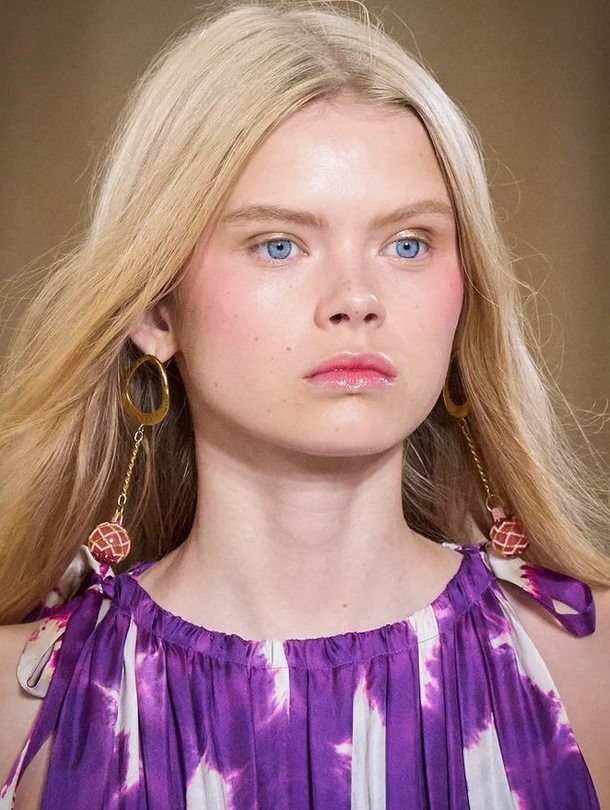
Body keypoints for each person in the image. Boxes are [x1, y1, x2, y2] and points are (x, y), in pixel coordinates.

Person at [0, 1, 609, 807]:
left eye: (408, 244)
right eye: (279, 244)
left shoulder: (591, 668)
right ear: (156, 311)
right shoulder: (21, 708)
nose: (356, 298)